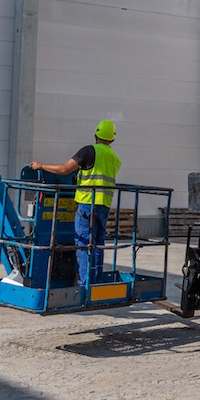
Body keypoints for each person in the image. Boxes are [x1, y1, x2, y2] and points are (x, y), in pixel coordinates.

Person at [28, 119, 121, 286]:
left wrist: (40, 165)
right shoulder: (114, 158)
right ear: (112, 139)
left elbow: (64, 169)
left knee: (84, 242)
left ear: (95, 135)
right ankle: (95, 281)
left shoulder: (89, 151)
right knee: (98, 244)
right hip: (104, 206)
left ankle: (85, 284)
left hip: (87, 204)